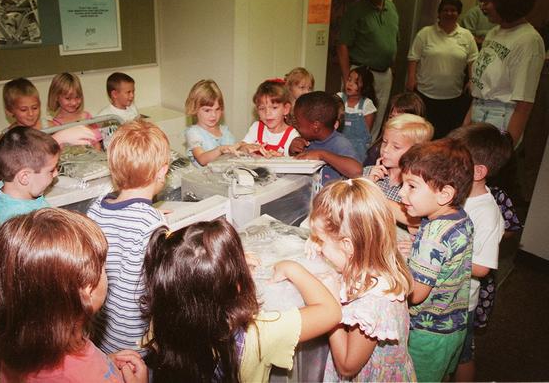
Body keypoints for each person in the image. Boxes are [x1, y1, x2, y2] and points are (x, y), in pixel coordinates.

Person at [141, 218, 341, 383]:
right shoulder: (258, 335)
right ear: (237, 285)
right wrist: (291, 267)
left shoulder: (162, 320)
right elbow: (330, 312)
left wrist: (227, 268)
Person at [0, 208, 148, 383]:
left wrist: (105, 363)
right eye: (103, 267)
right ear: (87, 290)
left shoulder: (26, 340)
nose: (106, 272)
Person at [307, 178, 416, 382]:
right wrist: (321, 244)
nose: (319, 247)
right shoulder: (374, 263)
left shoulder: (373, 302)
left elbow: (347, 366)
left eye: (321, 240)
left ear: (348, 246)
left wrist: (331, 305)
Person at [87, 120, 170, 355]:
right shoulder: (151, 224)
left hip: (102, 334)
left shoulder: (96, 208)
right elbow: (162, 285)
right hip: (136, 342)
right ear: (162, 171)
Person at [398, 139, 474, 382]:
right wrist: (417, 252)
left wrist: (392, 268)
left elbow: (416, 294)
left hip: (428, 332)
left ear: (445, 194)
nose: (401, 192)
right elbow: (447, 258)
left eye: (411, 186)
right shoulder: (460, 218)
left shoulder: (432, 235)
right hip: (453, 325)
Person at [447, 123, 513, 382]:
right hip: (443, 293)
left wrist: (443, 256)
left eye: (456, 161)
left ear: (478, 171)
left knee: (462, 356)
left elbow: (482, 268)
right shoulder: (456, 193)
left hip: (461, 302)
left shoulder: (486, 212)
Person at [466, 0, 545, 146]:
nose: (482, 7)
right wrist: (463, 131)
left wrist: (506, 149)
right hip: (478, 114)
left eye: (487, 2)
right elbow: (480, 91)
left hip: (500, 124)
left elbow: (523, 106)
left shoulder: (528, 41)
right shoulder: (493, 32)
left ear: (506, 1)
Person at [337, 0, 399, 139]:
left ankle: (368, 150)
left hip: (384, 75)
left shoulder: (392, 9)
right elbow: (342, 45)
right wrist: (348, 78)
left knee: (377, 116)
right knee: (352, 117)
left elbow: (394, 42)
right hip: (361, 74)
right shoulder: (356, 10)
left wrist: (392, 69)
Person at [407, 0, 479, 139]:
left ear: (458, 13)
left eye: (453, 10)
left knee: (445, 135)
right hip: (425, 94)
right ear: (439, 12)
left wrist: (472, 80)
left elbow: (473, 60)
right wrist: (411, 79)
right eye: (445, 10)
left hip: (453, 97)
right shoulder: (425, 33)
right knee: (423, 133)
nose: (449, 13)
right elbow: (413, 58)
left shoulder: (466, 36)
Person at [0, 126, 60, 226]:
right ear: (24, 177)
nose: (56, 173)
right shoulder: (25, 222)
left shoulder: (4, 188)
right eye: (51, 170)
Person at [290, 91, 361, 186]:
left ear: (315, 126)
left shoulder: (340, 143)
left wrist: (321, 155)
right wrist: (293, 150)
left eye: (298, 123)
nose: (296, 126)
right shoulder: (307, 141)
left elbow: (357, 171)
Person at [364, 114, 433, 203]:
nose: (385, 149)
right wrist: (367, 184)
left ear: (415, 151)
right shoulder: (368, 172)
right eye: (385, 142)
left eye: (396, 147)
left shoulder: (416, 189)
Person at [184, 79, 240, 166]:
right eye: (207, 110)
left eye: (217, 109)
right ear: (195, 108)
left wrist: (244, 147)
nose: (213, 115)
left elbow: (234, 154)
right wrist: (219, 150)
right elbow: (202, 159)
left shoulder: (225, 131)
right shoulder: (193, 133)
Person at [239, 79, 299, 156]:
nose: (267, 113)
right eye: (262, 108)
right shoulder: (256, 128)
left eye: (274, 107)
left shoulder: (293, 135)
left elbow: (295, 160)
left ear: (286, 109)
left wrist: (280, 158)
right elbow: (240, 149)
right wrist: (246, 148)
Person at [337, 66, 378, 160]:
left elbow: (366, 132)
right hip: (339, 145)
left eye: (355, 82)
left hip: (358, 150)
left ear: (364, 86)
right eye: (349, 80)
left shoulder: (367, 104)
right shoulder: (339, 98)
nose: (350, 84)